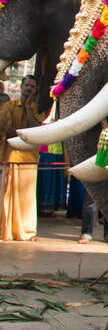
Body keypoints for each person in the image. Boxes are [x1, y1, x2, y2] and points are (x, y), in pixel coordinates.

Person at [1, 76, 48, 240]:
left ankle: (26, 232)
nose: (29, 88)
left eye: (32, 86)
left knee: (26, 198)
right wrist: (25, 134)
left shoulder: (37, 110)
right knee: (7, 195)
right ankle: (6, 230)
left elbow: (36, 131)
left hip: (29, 160)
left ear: (35, 90)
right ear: (21, 87)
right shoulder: (9, 106)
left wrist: (28, 109)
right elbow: (5, 129)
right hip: (10, 156)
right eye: (27, 85)